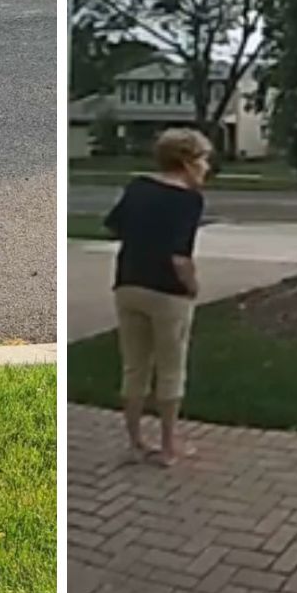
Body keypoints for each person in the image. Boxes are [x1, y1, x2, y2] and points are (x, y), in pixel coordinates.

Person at [104, 127, 211, 466]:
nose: (207, 167)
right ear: (187, 161)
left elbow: (113, 225)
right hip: (168, 293)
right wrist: (192, 286)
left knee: (134, 366)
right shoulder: (189, 200)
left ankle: (135, 441)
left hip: (128, 284)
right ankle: (168, 446)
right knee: (170, 367)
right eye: (203, 159)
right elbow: (180, 257)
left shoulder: (138, 187)